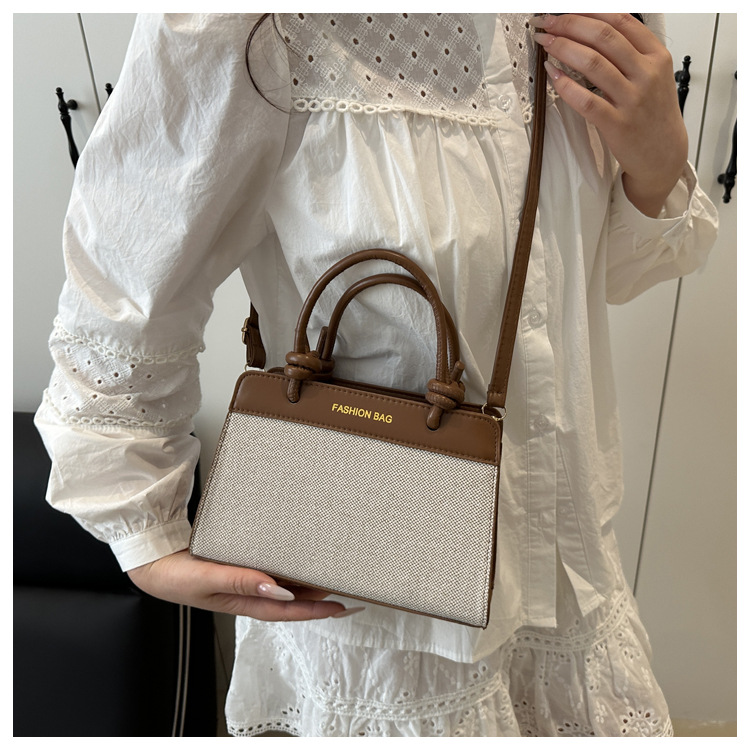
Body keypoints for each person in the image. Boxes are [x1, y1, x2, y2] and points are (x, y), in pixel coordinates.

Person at [35, 13, 718, 737]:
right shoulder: (253, 24)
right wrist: (140, 523)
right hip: (375, 602)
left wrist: (658, 164)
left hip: (567, 561)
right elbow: (126, 276)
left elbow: (602, 274)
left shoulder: (590, 20)